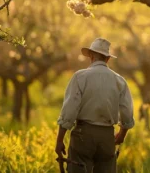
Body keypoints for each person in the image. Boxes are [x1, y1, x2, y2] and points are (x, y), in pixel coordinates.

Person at [55, 38, 134, 173]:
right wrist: (122, 134)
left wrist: (60, 140)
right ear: (107, 59)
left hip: (83, 135)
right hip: (107, 136)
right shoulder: (119, 80)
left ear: (91, 56)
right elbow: (127, 111)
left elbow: (69, 110)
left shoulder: (80, 77)